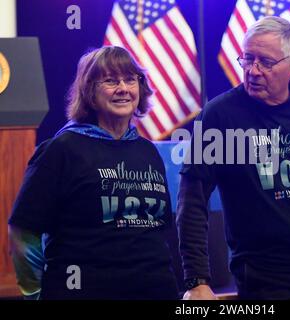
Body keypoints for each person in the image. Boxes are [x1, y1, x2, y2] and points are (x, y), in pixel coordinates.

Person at [176, 16, 290, 300]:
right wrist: (197, 279)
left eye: (266, 62)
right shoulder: (220, 116)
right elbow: (193, 199)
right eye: (247, 59)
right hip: (264, 277)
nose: (253, 70)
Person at [8, 46, 179, 300]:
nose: (123, 88)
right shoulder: (62, 150)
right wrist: (35, 293)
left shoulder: (148, 152)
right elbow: (23, 232)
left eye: (130, 79)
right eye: (111, 81)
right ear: (89, 91)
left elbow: (160, 230)